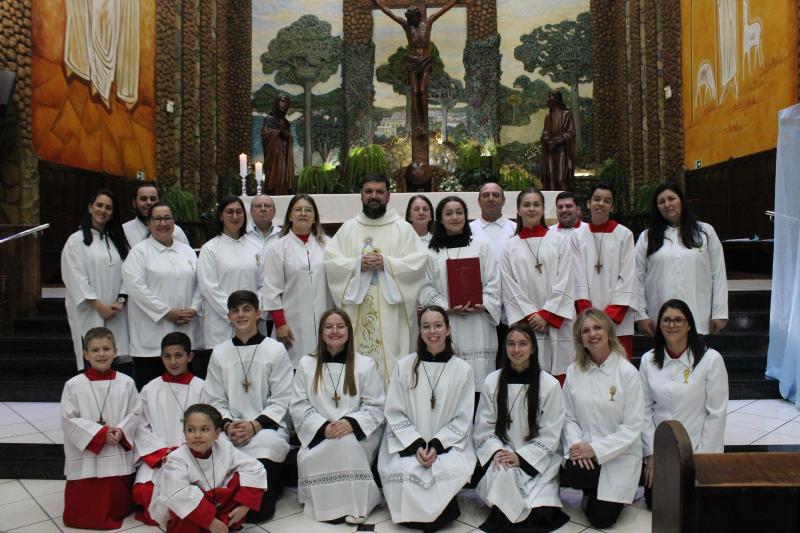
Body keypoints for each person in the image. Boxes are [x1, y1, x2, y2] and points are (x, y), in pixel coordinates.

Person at [378, 305, 476, 531]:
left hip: (447, 444)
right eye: (426, 326)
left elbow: (463, 417)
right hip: (409, 441)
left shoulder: (462, 369)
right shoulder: (405, 366)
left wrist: (436, 445)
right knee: (407, 469)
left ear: (448, 329)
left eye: (438, 325)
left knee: (442, 469)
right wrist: (416, 445)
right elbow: (394, 411)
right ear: (420, 331)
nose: (433, 331)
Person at [324, 175, 428, 384]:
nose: (374, 196)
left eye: (380, 192)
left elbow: (418, 262)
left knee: (393, 366)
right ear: (361, 195)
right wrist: (357, 264)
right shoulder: (349, 229)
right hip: (357, 310)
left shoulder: (403, 229)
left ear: (388, 196)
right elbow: (331, 262)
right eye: (369, 191)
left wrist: (386, 263)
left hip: (393, 316)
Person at [202, 290, 292, 522]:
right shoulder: (220, 353)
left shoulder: (274, 349)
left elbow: (282, 398)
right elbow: (214, 399)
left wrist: (254, 426)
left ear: (258, 314)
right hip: (229, 431)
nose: (241, 315)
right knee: (213, 447)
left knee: (260, 512)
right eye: (235, 311)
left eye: (246, 309)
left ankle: (270, 490)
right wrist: (229, 425)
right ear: (229, 316)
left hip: (266, 429)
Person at [290, 309, 386, 524]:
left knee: (347, 445)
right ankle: (325, 505)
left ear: (349, 331)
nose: (335, 331)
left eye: (340, 326)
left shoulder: (364, 364)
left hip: (355, 433)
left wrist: (350, 423)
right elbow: (297, 405)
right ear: (321, 332)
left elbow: (376, 404)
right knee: (333, 446)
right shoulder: (306, 364)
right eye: (329, 326)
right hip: (319, 431)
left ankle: (357, 505)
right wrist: (323, 426)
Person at [473, 323, 569, 532]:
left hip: (538, 460)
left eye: (523, 344)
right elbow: (484, 427)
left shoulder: (549, 385)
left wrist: (522, 457)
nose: (516, 350)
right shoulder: (492, 381)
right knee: (506, 482)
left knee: (539, 512)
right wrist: (499, 451)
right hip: (503, 456)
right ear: (505, 347)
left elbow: (551, 433)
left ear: (533, 348)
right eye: (511, 344)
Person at [560, 309, 644, 530]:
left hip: (619, 455)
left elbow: (633, 426)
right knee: (576, 474)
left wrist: (595, 449)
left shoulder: (627, 372)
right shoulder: (574, 371)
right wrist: (577, 446)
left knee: (601, 520)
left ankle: (612, 494)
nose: (592, 334)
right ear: (581, 340)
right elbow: (568, 417)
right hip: (585, 451)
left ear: (608, 331)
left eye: (597, 327)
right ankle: (591, 487)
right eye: (585, 331)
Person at [640, 299, 728, 508]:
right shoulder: (648, 360)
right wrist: (652, 453)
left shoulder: (710, 360)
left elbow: (716, 413)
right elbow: (643, 410)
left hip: (697, 447)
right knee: (658, 504)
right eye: (666, 320)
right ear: (659, 326)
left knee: (693, 504)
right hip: (662, 449)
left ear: (689, 325)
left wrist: (704, 460)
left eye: (678, 320)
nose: (672, 325)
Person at [60, 327, 140, 529]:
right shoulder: (73, 385)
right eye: (95, 350)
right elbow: (68, 419)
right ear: (86, 354)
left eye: (106, 349)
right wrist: (101, 434)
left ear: (115, 351)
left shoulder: (126, 383)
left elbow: (136, 413)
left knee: (115, 497)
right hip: (88, 454)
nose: (101, 354)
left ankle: (118, 508)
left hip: (116, 445)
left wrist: (121, 431)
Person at [420, 196, 500, 389]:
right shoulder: (430, 253)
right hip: (448, 323)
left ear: (466, 216)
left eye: (459, 212)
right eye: (449, 213)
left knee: (480, 385)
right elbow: (424, 287)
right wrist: (447, 307)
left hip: (478, 324)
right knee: (450, 387)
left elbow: (494, 282)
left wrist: (484, 303)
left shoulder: (481, 247)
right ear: (439, 219)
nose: (455, 217)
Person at [148, 404, 268, 532]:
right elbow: (178, 495)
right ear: (184, 433)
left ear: (217, 434)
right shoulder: (176, 458)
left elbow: (254, 469)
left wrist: (245, 506)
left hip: (215, 504)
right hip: (190, 514)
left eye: (204, 429)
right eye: (191, 430)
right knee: (184, 503)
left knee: (241, 477)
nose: (197, 435)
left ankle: (224, 523)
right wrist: (209, 521)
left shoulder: (224, 447)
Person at [500, 187, 576, 383]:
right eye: (526, 205)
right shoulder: (510, 246)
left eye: (536, 205)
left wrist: (547, 314)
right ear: (518, 210)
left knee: (561, 373)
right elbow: (509, 286)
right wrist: (531, 317)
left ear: (543, 210)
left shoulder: (559, 241)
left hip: (557, 322)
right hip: (528, 323)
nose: (531, 209)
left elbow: (566, 279)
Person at [123, 203, 202, 390]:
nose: (163, 223)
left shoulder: (187, 251)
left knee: (183, 391)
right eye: (157, 219)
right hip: (151, 337)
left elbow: (199, 284)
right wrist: (166, 312)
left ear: (174, 222)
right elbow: (136, 288)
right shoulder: (139, 253)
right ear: (149, 223)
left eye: (167, 218)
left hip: (185, 330)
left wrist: (194, 308)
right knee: (152, 392)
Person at [635, 181, 728, 336]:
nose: (667, 204)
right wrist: (640, 315)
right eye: (661, 201)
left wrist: (719, 312)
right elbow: (637, 277)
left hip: (697, 312)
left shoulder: (705, 232)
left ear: (682, 201)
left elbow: (718, 274)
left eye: (671, 199)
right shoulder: (647, 237)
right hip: (659, 313)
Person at [132, 332, 205, 526]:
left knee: (197, 489)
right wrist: (161, 452)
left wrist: (184, 453)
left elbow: (211, 427)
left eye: (179, 355)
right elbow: (140, 426)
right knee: (144, 492)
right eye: (167, 356)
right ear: (161, 357)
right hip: (161, 457)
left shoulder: (203, 388)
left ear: (189, 357)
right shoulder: (150, 389)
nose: (173, 362)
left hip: (193, 455)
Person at [61, 189, 131, 369]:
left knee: (116, 362)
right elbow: (75, 277)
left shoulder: (118, 242)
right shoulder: (75, 241)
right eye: (99, 205)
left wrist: (120, 301)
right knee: (93, 361)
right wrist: (99, 305)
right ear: (90, 207)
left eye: (108, 207)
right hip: (90, 311)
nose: (103, 210)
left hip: (116, 313)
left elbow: (130, 274)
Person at [262, 194, 332, 367]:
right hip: (292, 325)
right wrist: (280, 324)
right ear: (290, 216)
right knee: (294, 369)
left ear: (314, 217)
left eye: (308, 210)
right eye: (298, 209)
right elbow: (271, 290)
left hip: (326, 319)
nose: (303, 213)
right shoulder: (278, 248)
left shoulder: (328, 245)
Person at [372, 0, 458, 137]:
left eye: (413, 17)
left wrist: (454, 2)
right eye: (409, 17)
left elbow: (442, 10)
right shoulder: (407, 26)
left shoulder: (428, 23)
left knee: (423, 90)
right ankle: (418, 123)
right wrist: (378, 3)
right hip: (412, 62)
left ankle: (423, 122)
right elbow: (390, 13)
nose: (411, 20)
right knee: (415, 91)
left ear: (418, 16)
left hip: (425, 61)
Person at [573, 182, 637, 358]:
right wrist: (590, 317)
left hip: (617, 321)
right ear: (588, 203)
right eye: (596, 199)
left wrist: (608, 318)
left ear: (612, 206)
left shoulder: (624, 235)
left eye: (606, 200)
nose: (601, 203)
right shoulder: (577, 237)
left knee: (619, 371)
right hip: (586, 320)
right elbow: (577, 278)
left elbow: (628, 277)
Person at [197, 196, 263, 349]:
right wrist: (234, 314)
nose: (235, 216)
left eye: (239, 212)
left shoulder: (256, 246)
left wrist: (253, 313)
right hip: (221, 323)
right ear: (220, 216)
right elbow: (209, 287)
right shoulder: (210, 248)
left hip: (253, 323)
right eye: (230, 212)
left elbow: (265, 283)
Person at [469, 182, 518, 365]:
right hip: (481, 308)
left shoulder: (515, 230)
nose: (491, 199)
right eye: (486, 195)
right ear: (479, 200)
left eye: (496, 195)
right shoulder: (468, 231)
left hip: (512, 306)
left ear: (503, 200)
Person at [122, 183, 189, 246]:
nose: (149, 202)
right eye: (143, 199)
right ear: (134, 203)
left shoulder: (176, 231)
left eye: (153, 199)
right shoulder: (124, 231)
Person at [540, 91, 576, 192]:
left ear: (556, 99)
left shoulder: (566, 114)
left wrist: (557, 141)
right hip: (550, 153)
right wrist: (547, 140)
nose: (548, 99)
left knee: (561, 178)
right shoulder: (548, 117)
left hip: (562, 152)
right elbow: (545, 132)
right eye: (548, 96)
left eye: (550, 96)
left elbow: (571, 132)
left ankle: (565, 201)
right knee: (550, 177)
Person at [261, 95, 294, 195]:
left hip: (284, 155)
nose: (284, 105)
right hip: (273, 154)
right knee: (273, 176)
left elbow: (289, 137)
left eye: (286, 103)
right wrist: (277, 132)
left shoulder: (286, 123)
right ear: (276, 103)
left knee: (283, 175)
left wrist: (285, 133)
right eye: (282, 101)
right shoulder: (269, 119)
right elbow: (264, 134)